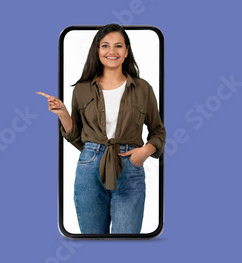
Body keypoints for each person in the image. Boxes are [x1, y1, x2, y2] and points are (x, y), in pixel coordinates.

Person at [37, 24, 166, 234]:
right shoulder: (82, 89)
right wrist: (63, 113)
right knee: (92, 241)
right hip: (89, 168)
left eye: (118, 46)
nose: (111, 51)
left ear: (127, 52)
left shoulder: (143, 88)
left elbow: (158, 131)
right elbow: (77, 137)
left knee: (127, 241)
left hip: (129, 167)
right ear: (97, 50)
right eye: (105, 45)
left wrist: (144, 152)